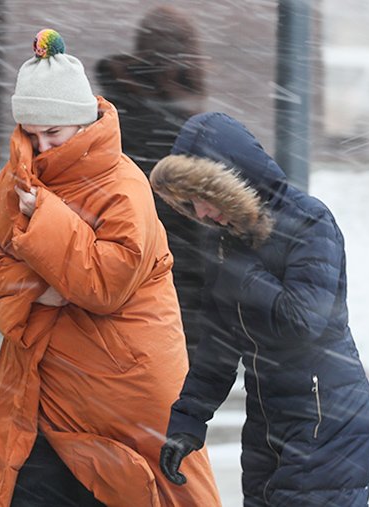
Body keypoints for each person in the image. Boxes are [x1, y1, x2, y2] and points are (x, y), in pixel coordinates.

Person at [0, 29, 221, 507]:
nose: (41, 148)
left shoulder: (124, 185)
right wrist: (37, 291)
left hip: (119, 388)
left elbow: (105, 283)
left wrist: (44, 217)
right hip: (43, 388)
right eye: (32, 134)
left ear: (82, 124)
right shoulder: (16, 179)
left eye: (53, 133)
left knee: (141, 487)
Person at [152, 112, 369, 506]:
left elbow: (304, 320)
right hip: (266, 424)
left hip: (326, 420)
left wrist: (240, 273)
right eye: (190, 203)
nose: (201, 213)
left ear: (234, 183)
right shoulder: (228, 242)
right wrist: (189, 420)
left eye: (205, 198)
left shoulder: (310, 221)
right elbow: (219, 344)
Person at [95, 6, 210, 357]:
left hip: (120, 270)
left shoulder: (112, 115)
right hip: (178, 277)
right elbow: (199, 220)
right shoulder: (190, 124)